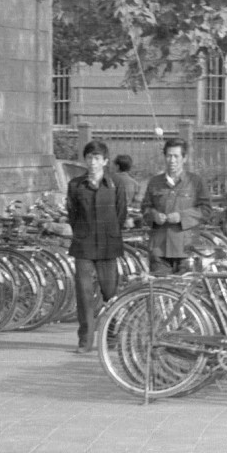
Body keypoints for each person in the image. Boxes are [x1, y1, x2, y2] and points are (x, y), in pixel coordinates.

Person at [66, 141, 128, 354]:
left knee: (110, 292)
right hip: (83, 245)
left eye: (97, 158)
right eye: (90, 158)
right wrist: (82, 232)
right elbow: (72, 214)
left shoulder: (116, 183)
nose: (93, 163)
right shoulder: (76, 185)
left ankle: (112, 336)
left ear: (105, 161)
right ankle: (85, 341)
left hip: (108, 245)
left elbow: (121, 214)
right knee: (84, 294)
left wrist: (110, 232)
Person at [141, 138, 212, 274]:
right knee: (161, 291)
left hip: (186, 249)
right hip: (159, 249)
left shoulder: (195, 182)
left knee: (186, 292)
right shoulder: (155, 182)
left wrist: (182, 217)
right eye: (168, 156)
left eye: (176, 156)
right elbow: (145, 208)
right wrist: (154, 216)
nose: (172, 160)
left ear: (184, 158)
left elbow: (206, 210)